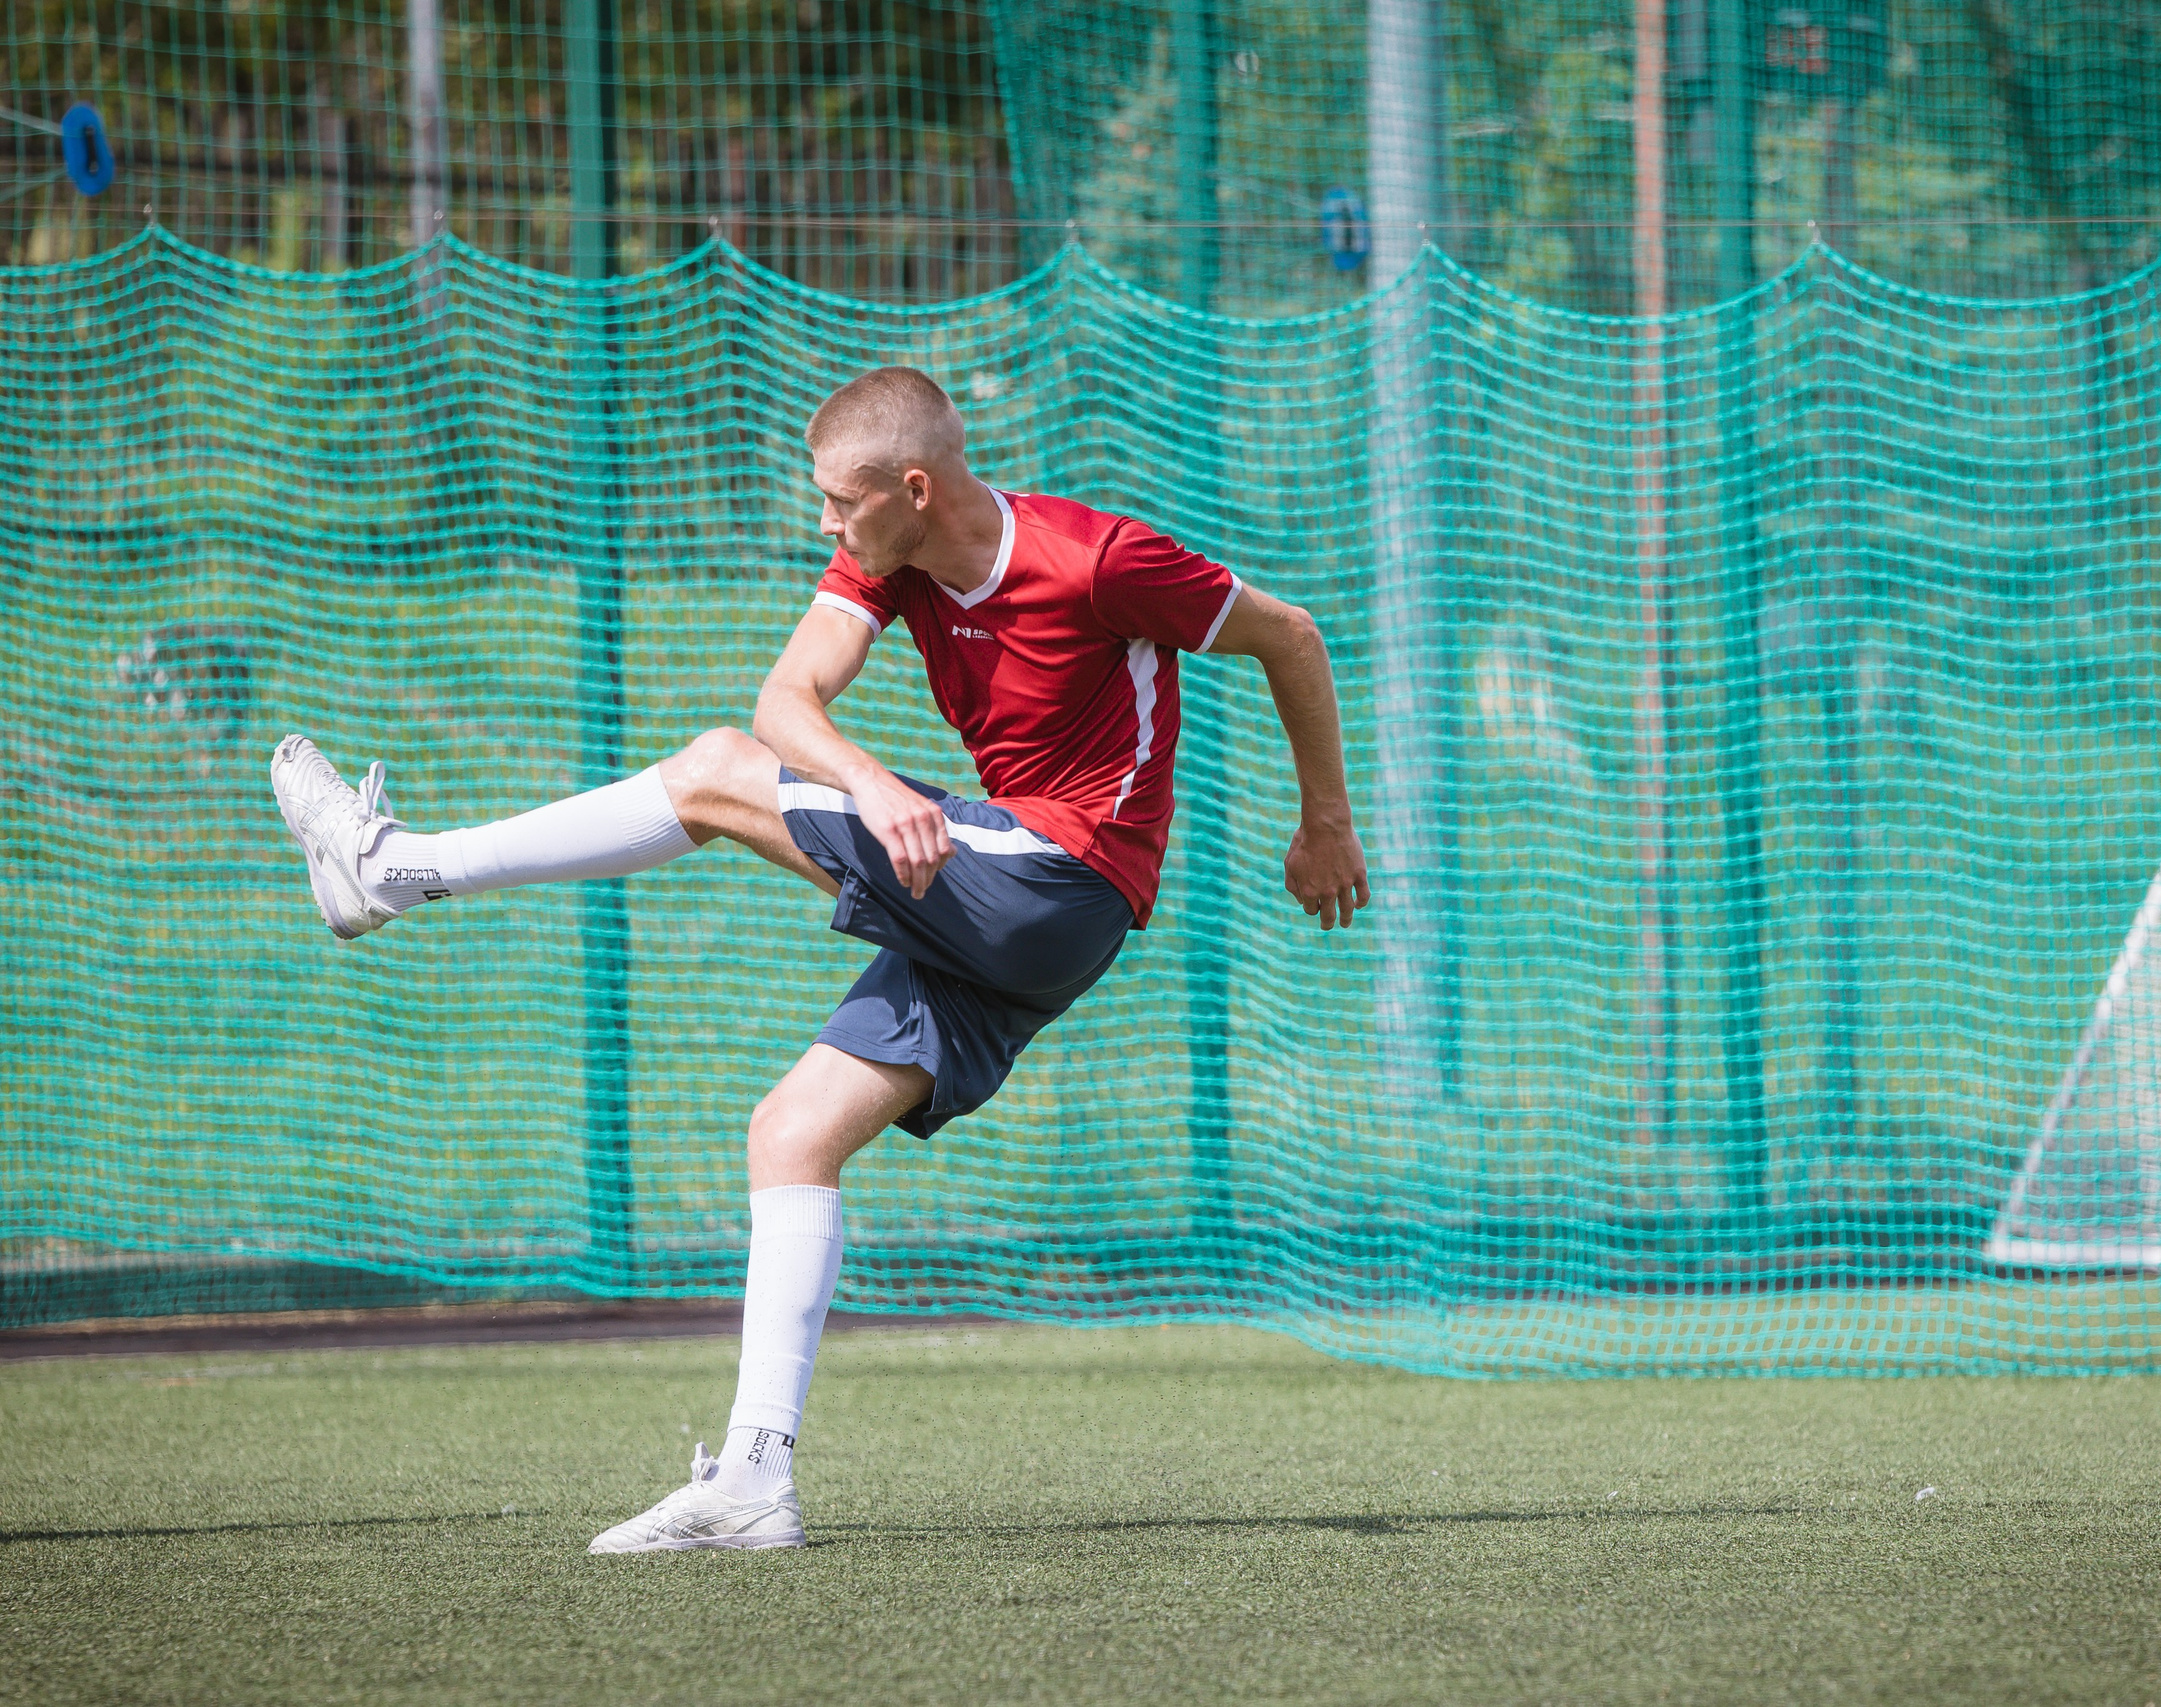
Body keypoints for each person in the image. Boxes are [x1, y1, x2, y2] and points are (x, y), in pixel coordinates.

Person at [268, 365, 1369, 1553]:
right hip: (1002, 902)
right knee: (790, 1135)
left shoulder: (1098, 561)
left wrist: (1325, 825)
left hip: (1063, 880)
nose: (828, 526)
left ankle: (395, 869)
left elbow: (1288, 636)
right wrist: (874, 781)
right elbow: (787, 702)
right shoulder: (887, 560)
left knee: (708, 773)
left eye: (842, 505)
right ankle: (753, 1481)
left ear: (914, 487)